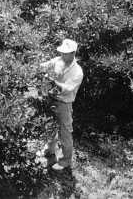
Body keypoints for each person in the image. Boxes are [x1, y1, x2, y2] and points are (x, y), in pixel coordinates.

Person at [39, 39, 83, 173]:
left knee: (65, 132)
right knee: (50, 126)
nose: (63, 55)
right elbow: (43, 66)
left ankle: (65, 160)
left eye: (66, 53)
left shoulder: (77, 72)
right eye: (62, 53)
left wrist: (52, 81)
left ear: (73, 53)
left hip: (64, 103)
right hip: (51, 99)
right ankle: (49, 150)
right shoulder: (58, 60)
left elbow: (67, 89)